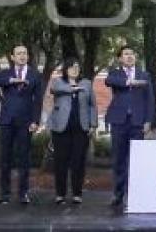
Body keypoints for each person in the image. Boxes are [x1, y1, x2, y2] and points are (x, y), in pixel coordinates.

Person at [0, 45, 43, 205]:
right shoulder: (5, 74)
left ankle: (23, 193)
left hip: (25, 122)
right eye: (19, 53)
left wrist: (35, 121)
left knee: (24, 159)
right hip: (7, 120)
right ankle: (4, 194)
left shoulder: (35, 75)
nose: (22, 56)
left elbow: (38, 100)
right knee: (5, 158)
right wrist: (10, 81)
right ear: (12, 57)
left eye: (25, 53)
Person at [106, 45, 154, 210]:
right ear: (120, 58)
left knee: (135, 160)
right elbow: (109, 81)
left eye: (132, 53)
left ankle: (133, 195)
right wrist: (129, 82)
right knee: (119, 159)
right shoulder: (115, 73)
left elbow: (150, 100)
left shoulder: (144, 75)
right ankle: (118, 195)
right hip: (119, 121)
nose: (130, 56)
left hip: (137, 122)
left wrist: (148, 121)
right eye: (126, 54)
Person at [49, 58, 97, 205]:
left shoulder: (86, 84)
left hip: (81, 128)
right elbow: (54, 89)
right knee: (60, 162)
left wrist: (93, 124)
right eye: (71, 67)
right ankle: (60, 194)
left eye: (77, 67)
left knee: (78, 162)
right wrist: (72, 88)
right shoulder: (59, 82)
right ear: (66, 69)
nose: (75, 69)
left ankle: (77, 193)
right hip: (61, 128)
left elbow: (92, 105)